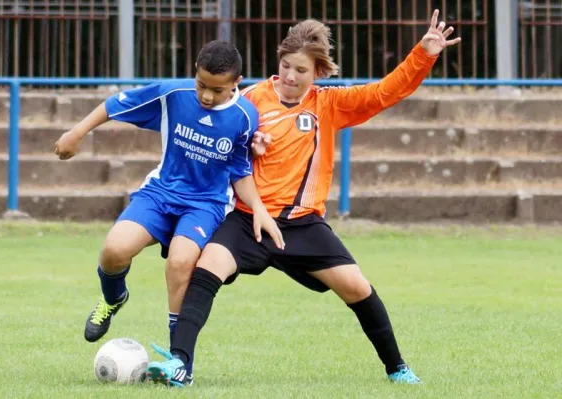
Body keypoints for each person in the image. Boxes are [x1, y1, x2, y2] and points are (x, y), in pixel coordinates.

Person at [146, 10, 461, 386]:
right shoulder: (248, 102)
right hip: (249, 218)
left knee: (357, 288)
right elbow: (219, 144)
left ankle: (397, 369)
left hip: (303, 225)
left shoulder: (329, 105)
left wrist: (424, 54)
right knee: (207, 268)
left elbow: (385, 92)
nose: (292, 77)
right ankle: (181, 364)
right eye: (286, 67)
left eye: (302, 70)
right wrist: (248, 145)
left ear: (318, 74)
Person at [54, 40, 284, 385]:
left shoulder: (244, 117)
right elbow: (115, 104)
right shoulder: (172, 94)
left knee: (180, 262)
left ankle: (180, 363)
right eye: (201, 85)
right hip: (160, 192)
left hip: (205, 203)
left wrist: (259, 209)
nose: (206, 96)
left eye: (217, 90)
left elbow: (240, 171)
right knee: (113, 251)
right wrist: (76, 133)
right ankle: (112, 299)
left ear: (236, 83)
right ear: (194, 72)